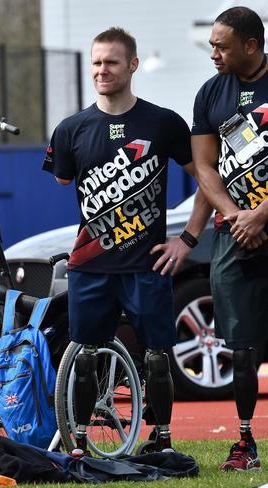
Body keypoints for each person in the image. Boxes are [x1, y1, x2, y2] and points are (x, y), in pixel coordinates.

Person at [43, 27, 212, 456]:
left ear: (132, 65)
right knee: (84, 356)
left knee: (157, 357)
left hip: (146, 266)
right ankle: (79, 441)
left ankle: (163, 440)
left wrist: (188, 238)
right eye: (97, 62)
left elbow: (208, 180)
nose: (102, 70)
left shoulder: (163, 123)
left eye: (111, 62)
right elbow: (61, 177)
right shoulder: (71, 129)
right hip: (91, 266)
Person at [192, 6, 268, 472]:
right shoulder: (210, 93)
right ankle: (245, 443)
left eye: (221, 45)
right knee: (240, 346)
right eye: (211, 44)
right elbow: (205, 166)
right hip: (234, 234)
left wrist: (263, 214)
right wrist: (238, 215)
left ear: (251, 46)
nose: (213, 53)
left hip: (260, 221)